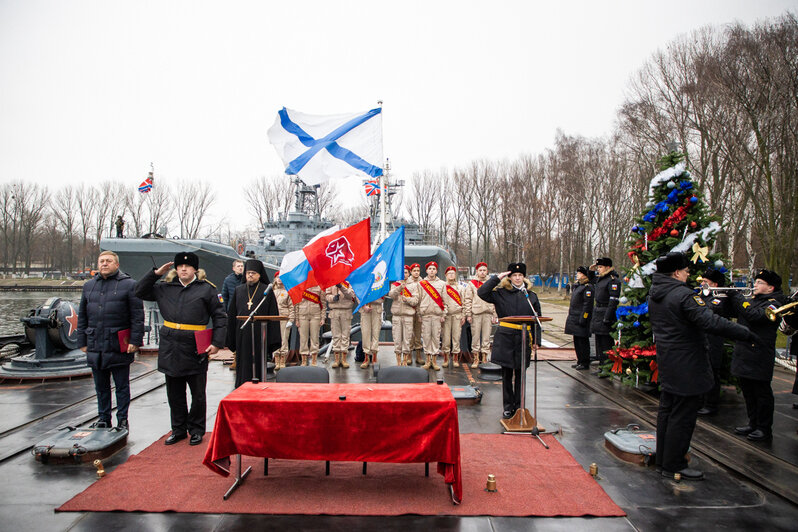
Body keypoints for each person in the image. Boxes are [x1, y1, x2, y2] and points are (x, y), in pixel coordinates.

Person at [648, 252, 757, 480]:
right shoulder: (683, 295)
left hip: (668, 360)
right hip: (688, 363)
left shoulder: (656, 294)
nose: (689, 275)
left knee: (667, 411)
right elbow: (710, 321)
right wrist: (744, 333)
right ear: (677, 272)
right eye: (686, 271)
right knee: (683, 415)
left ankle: (663, 459)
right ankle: (674, 464)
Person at [135, 252, 226, 446]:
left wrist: (217, 343)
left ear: (195, 269)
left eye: (187, 266)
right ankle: (178, 429)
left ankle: (196, 430)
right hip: (171, 346)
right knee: (174, 393)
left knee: (198, 393)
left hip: (195, 346)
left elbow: (220, 317)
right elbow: (139, 291)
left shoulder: (207, 290)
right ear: (175, 269)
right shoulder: (165, 288)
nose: (183, 269)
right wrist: (155, 273)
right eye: (180, 266)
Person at [77, 251, 144, 431]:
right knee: (101, 386)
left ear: (116, 264)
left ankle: (122, 419)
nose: (104, 264)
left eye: (108, 261)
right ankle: (103, 418)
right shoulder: (89, 286)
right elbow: (82, 315)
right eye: (101, 261)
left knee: (121, 386)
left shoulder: (130, 285)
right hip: (95, 343)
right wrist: (81, 341)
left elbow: (137, 316)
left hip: (117, 344)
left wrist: (135, 340)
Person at [730, 269, 788, 442]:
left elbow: (754, 316)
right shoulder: (754, 300)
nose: (755, 285)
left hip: (759, 353)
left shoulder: (775, 304)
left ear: (770, 288)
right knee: (748, 391)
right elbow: (738, 313)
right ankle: (753, 422)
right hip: (745, 352)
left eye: (760, 283)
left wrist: (739, 299)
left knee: (761, 393)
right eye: (756, 282)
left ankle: (764, 428)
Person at [477, 262, 541, 419]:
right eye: (514, 276)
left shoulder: (531, 295)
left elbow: (537, 318)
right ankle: (507, 407)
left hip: (524, 338)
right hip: (506, 337)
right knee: (506, 374)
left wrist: (536, 340)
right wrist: (496, 278)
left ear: (524, 277)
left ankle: (519, 406)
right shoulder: (501, 293)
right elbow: (482, 292)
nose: (518, 278)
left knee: (520, 374)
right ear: (509, 277)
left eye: (520, 276)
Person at [226, 259, 279, 387]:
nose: (250, 275)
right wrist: (230, 336)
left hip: (260, 333)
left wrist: (273, 339)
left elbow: (273, 315)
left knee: (258, 362)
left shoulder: (267, 291)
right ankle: (241, 386)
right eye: (248, 272)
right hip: (242, 332)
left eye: (253, 273)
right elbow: (232, 314)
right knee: (243, 362)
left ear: (259, 275)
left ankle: (259, 386)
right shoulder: (239, 290)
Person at [696, 269, 731, 415]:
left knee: (711, 371)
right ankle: (700, 401)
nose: (703, 284)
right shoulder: (701, 296)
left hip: (713, 339)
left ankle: (711, 403)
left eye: (706, 282)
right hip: (701, 338)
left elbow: (711, 309)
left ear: (715, 284)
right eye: (702, 281)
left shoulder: (719, 297)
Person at [590, 257, 620, 376]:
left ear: (608, 267)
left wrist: (607, 317)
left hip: (606, 311)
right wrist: (591, 270)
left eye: (600, 267)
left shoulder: (613, 280)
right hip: (598, 311)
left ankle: (608, 367)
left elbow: (613, 301)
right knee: (599, 342)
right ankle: (602, 366)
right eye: (598, 267)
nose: (598, 269)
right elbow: (591, 279)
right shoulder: (601, 279)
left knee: (606, 343)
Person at [464, 262, 496, 368]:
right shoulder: (472, 284)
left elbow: (496, 300)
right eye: (480, 270)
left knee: (486, 337)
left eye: (484, 270)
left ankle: (485, 358)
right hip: (476, 313)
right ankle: (476, 358)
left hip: (488, 313)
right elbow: (468, 299)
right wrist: (468, 314)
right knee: (475, 337)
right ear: (477, 271)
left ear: (487, 271)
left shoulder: (491, 283)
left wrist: (495, 314)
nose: (482, 272)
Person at [417, 261, 447, 370]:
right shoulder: (421, 284)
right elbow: (418, 300)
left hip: (437, 315)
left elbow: (445, 301)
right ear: (426, 270)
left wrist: (444, 314)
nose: (432, 271)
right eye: (430, 269)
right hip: (425, 315)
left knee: (435, 337)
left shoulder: (442, 284)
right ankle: (427, 360)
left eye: (434, 269)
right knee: (426, 337)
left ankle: (434, 361)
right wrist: (419, 314)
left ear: (436, 271)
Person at [388, 265, 420, 366]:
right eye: (402, 272)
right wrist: (399, 288)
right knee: (397, 339)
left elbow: (415, 300)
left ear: (409, 274)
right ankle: (398, 361)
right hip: (397, 315)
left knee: (407, 339)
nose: (404, 274)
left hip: (408, 315)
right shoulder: (395, 284)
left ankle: (405, 360)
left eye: (406, 272)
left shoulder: (414, 285)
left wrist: (407, 299)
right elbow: (391, 295)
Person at [565, 266, 594, 370]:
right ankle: (580, 360)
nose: (577, 275)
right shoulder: (578, 286)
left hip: (581, 318)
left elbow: (587, 305)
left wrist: (584, 318)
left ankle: (585, 362)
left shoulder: (587, 287)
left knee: (583, 341)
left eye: (579, 273)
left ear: (584, 275)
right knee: (577, 341)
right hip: (574, 317)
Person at [325, 281, 356, 368]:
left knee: (345, 335)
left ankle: (344, 359)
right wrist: (333, 298)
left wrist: (341, 287)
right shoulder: (331, 281)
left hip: (346, 311)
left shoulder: (349, 282)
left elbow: (351, 295)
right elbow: (326, 295)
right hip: (334, 310)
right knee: (336, 335)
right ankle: (336, 359)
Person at [295, 284, 325, 366]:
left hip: (315, 315)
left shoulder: (319, 287)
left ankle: (314, 359)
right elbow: (296, 304)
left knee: (315, 337)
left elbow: (323, 303)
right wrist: (296, 319)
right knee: (303, 338)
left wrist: (323, 318)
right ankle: (304, 359)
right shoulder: (300, 286)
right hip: (302, 315)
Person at [441, 266, 465, 368]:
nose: (451, 275)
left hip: (457, 315)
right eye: (449, 273)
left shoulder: (460, 288)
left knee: (456, 337)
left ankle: (455, 358)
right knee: (446, 338)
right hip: (446, 316)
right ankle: (446, 358)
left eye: (453, 273)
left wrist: (463, 315)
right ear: (446, 275)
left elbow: (464, 302)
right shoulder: (443, 287)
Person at [272, 274, 294, 370]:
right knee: (275, 339)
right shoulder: (271, 292)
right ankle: (276, 361)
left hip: (284, 318)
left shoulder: (288, 292)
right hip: (273, 318)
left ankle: (283, 361)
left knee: (284, 339)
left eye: (281, 278)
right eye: (277, 278)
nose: (279, 280)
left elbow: (292, 307)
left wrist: (291, 319)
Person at [359, 295, 384, 369]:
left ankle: (374, 356)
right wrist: (363, 306)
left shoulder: (380, 282)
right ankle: (366, 357)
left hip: (377, 307)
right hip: (365, 308)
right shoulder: (363, 282)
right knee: (365, 333)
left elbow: (383, 293)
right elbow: (358, 293)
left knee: (376, 333)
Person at [408, 263, 425, 365]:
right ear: (411, 272)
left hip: (419, 312)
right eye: (414, 271)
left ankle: (418, 356)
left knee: (418, 334)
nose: (416, 272)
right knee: (410, 335)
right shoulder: (407, 283)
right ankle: (409, 356)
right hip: (409, 311)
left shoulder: (423, 283)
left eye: (418, 271)